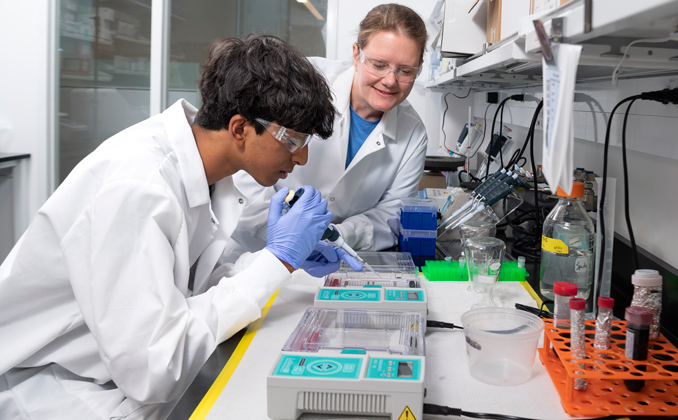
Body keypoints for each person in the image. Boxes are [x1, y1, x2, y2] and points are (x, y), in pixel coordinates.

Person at [0, 34, 359, 420]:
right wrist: (276, 261)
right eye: (293, 140)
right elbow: (155, 369)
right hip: (52, 388)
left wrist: (280, 261)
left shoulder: (207, 171)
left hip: (109, 373)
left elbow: (187, 287)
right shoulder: (138, 187)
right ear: (240, 128)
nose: (302, 157)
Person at [229, 3, 428, 255]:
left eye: (405, 71)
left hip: (333, 257)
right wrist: (290, 233)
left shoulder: (413, 134)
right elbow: (245, 157)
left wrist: (337, 236)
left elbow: (391, 214)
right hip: (254, 247)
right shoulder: (304, 80)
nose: (390, 80)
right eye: (378, 65)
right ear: (357, 55)